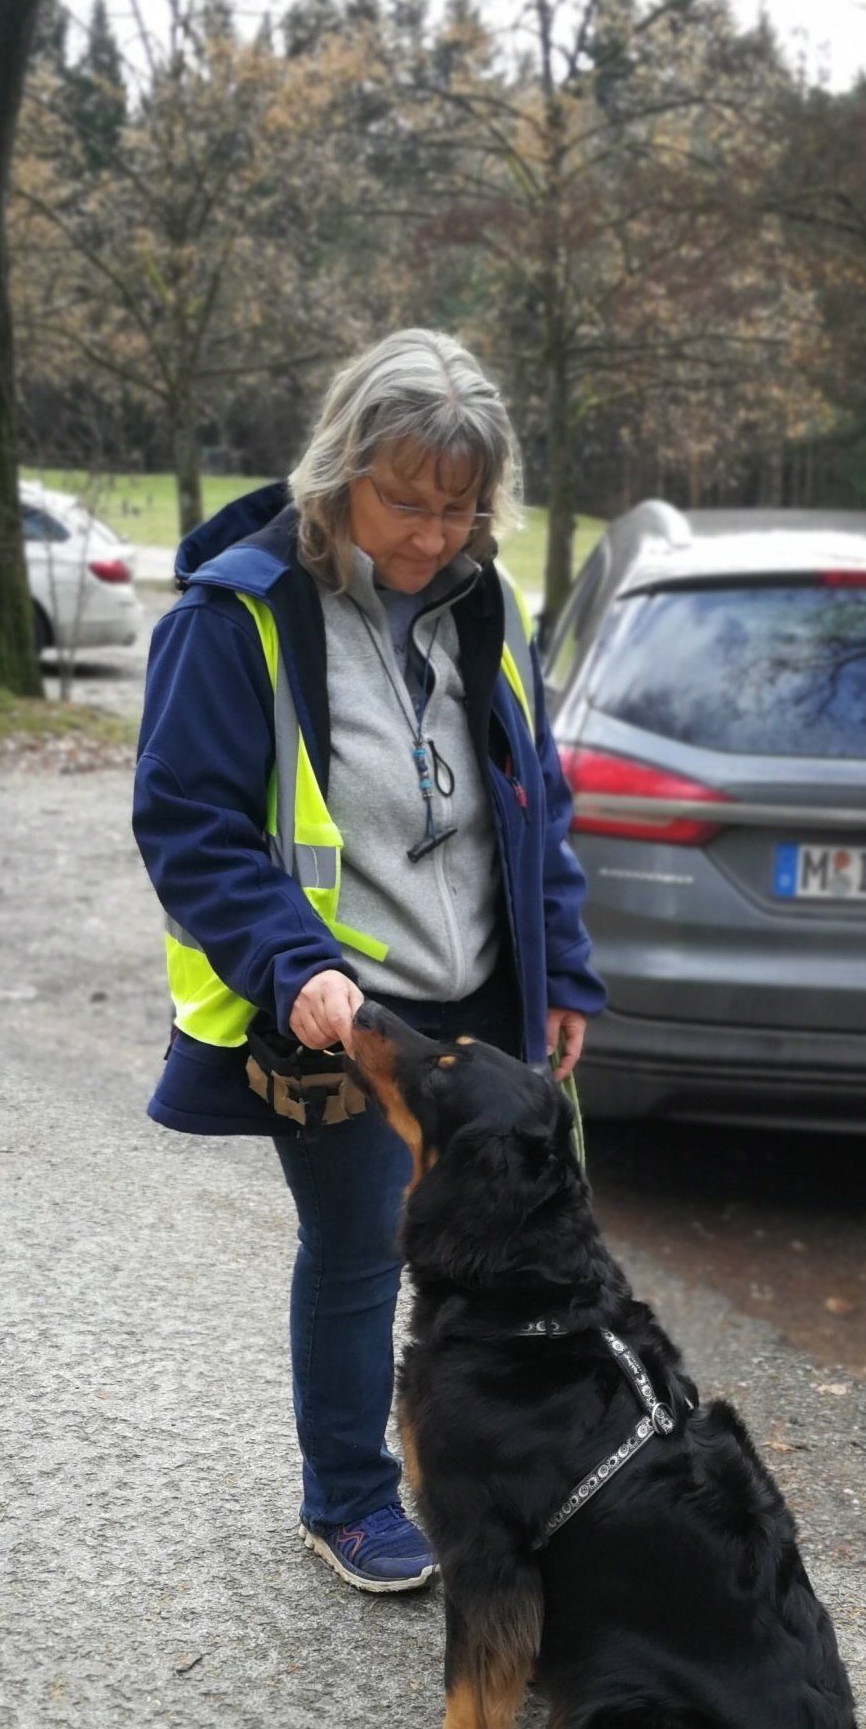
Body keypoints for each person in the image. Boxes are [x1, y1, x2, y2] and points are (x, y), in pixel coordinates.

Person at [133, 329, 604, 1594]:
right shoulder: (233, 617)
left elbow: (535, 795)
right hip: (342, 1008)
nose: (430, 535)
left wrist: (561, 967)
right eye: (405, 500)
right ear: (339, 469)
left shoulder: (486, 601)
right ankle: (346, 1494)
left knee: (497, 1249)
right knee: (363, 1248)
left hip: (485, 990)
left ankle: (487, 1477)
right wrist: (294, 966)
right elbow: (187, 824)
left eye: (459, 508)